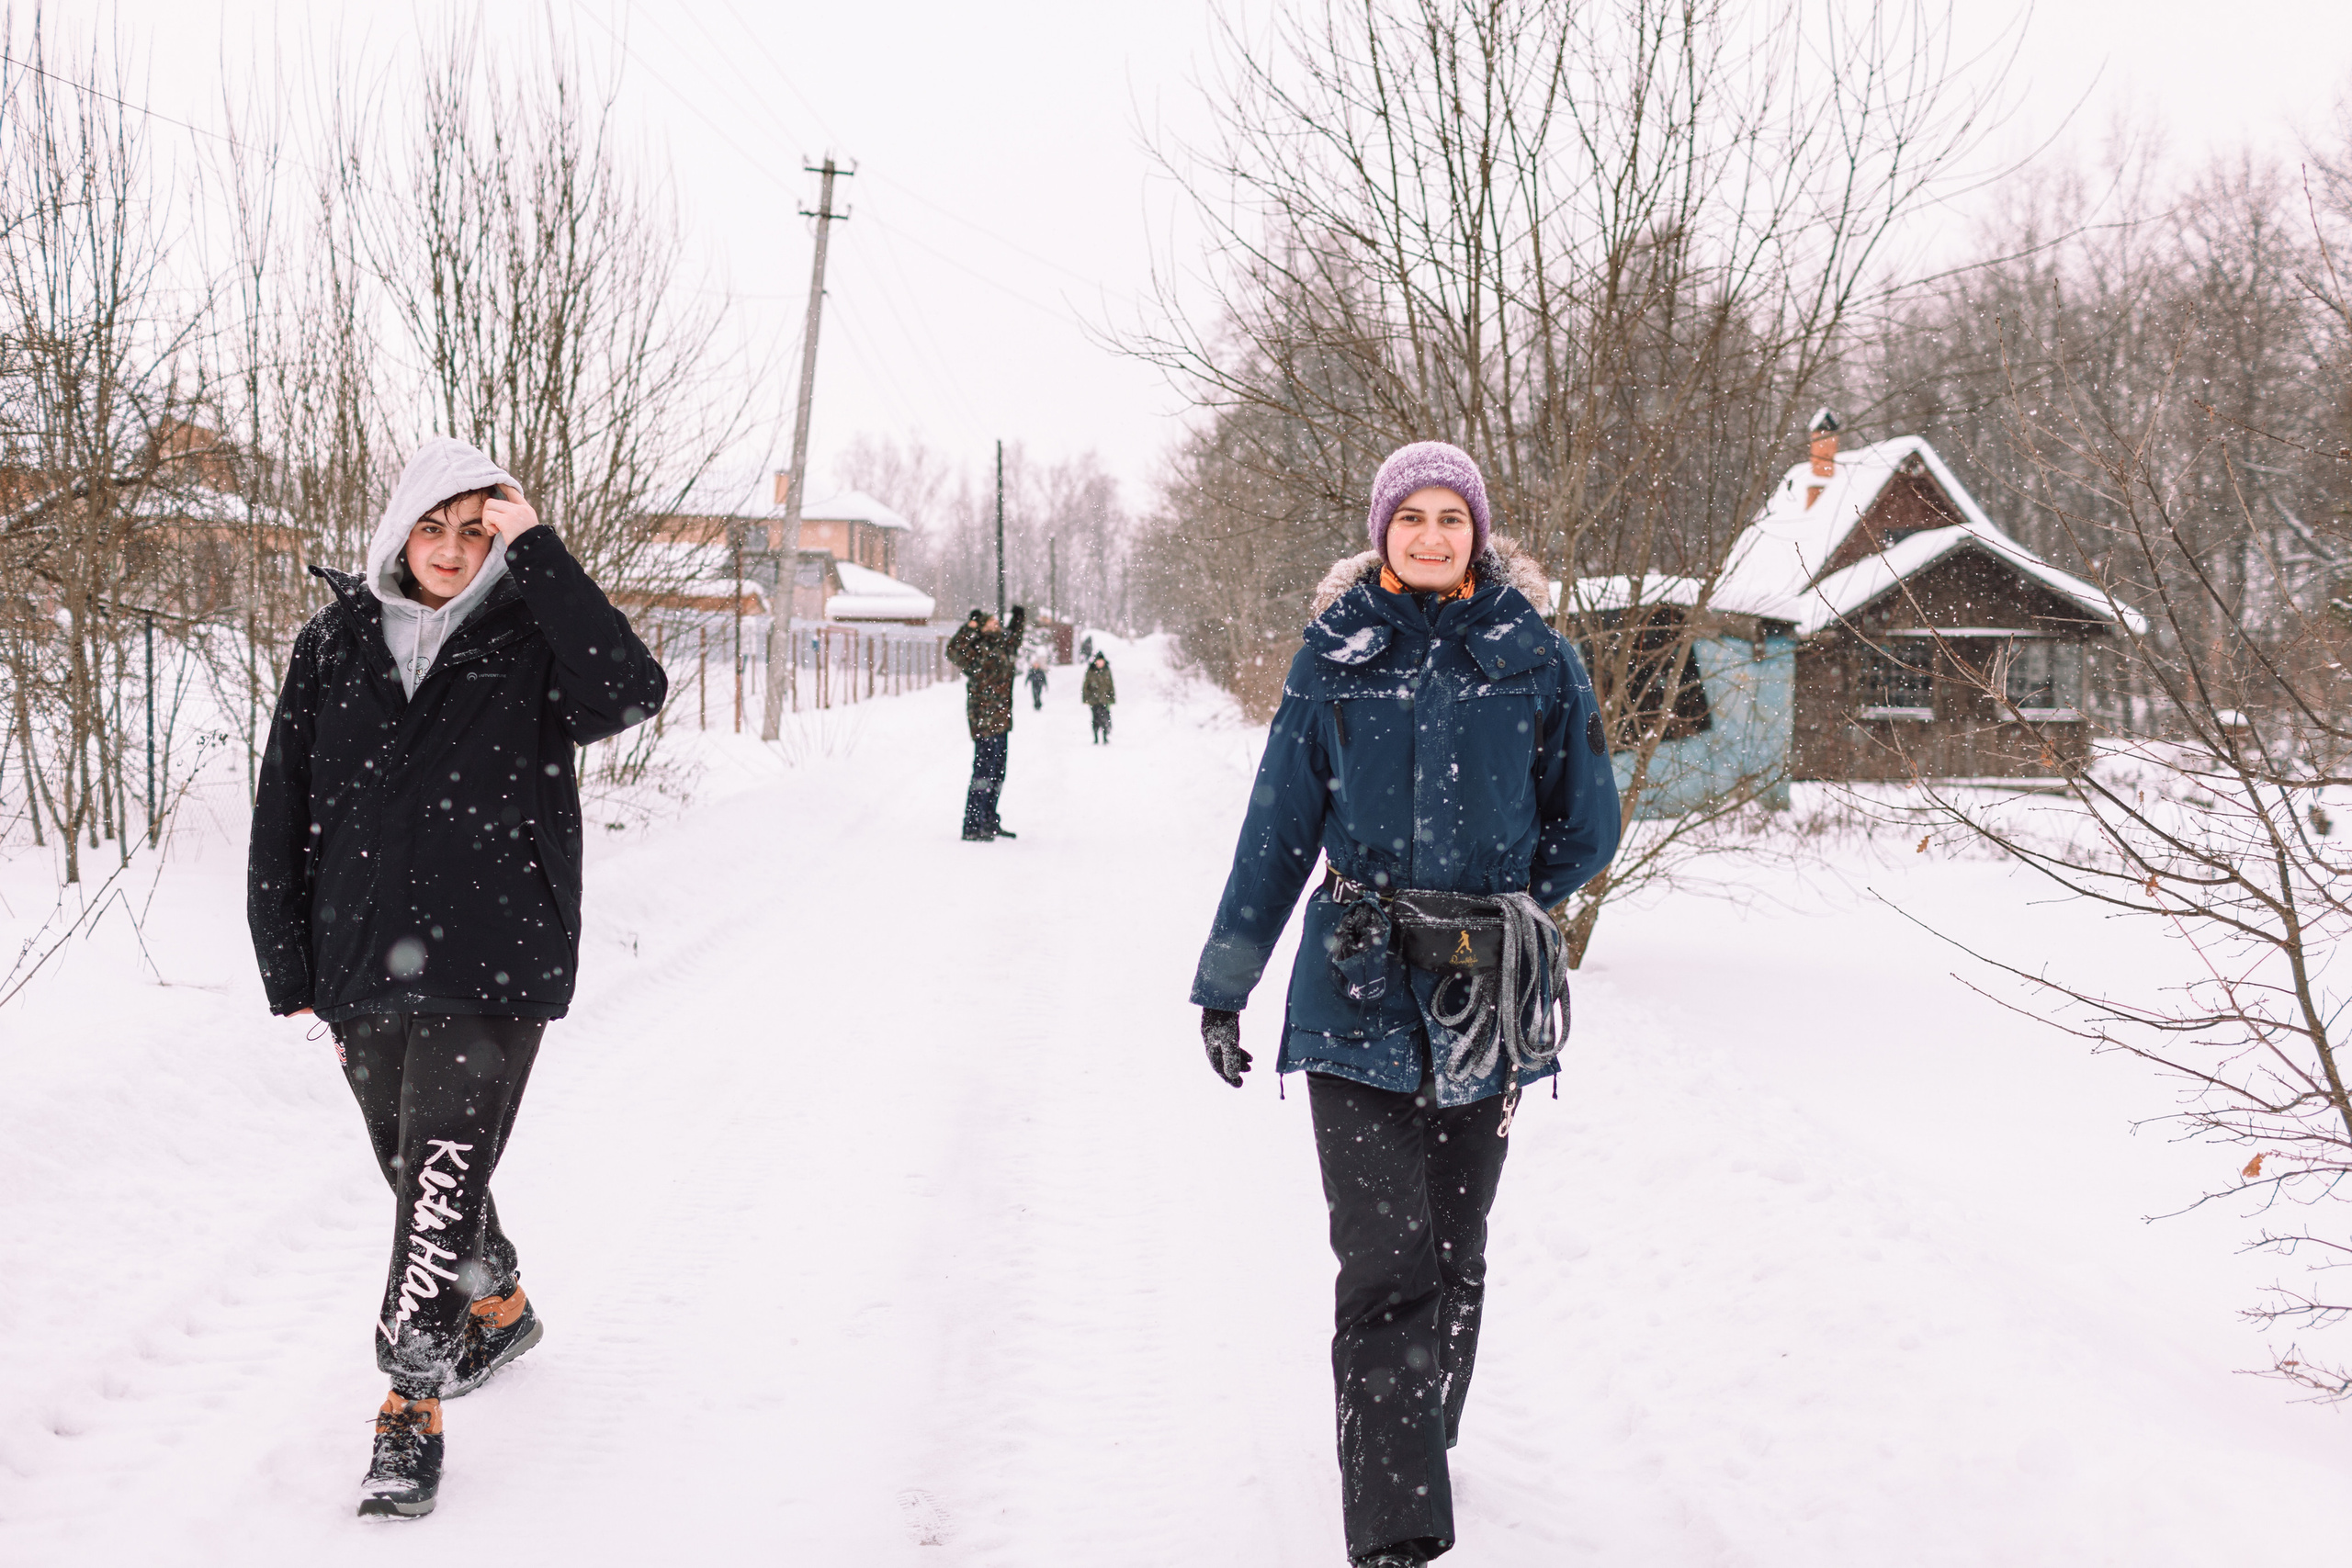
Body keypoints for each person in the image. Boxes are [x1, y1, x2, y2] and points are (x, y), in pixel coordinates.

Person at [1189, 441, 1620, 1567]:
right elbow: (1277, 837)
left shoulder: (1536, 659)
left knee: (1454, 1247)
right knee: (1384, 1259)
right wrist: (1225, 986)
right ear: (1380, 531)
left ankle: (1420, 1433)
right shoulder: (1332, 661)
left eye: (1452, 518)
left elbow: (1591, 822)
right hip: (1356, 986)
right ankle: (1395, 1522)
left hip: (1486, 991)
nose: (1431, 536)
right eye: (1411, 517)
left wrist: (1513, 907)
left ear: (1479, 533)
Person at [246, 437, 665, 1520]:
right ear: (399, 529)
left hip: (494, 952)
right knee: (411, 1155)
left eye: (477, 531)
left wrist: (540, 552)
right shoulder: (335, 641)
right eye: (434, 527)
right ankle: (501, 1300)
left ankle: (410, 1404)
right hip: (356, 954)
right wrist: (282, 949)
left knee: (436, 1176)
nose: (450, 549)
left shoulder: (534, 638)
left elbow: (630, 691)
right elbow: (285, 800)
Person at [944, 604, 1026, 840]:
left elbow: (1015, 639)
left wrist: (1018, 618)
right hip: (983, 720)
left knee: (998, 773)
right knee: (983, 773)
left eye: (997, 623)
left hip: (1002, 720)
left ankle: (989, 819)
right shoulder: (976, 649)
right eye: (990, 623)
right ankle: (972, 824)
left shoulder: (1003, 646)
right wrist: (969, 627)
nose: (996, 626)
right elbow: (953, 650)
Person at [1081, 651, 1116, 743]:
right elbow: (1086, 685)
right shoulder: (1091, 671)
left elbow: (1111, 686)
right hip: (1094, 700)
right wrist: (1086, 698)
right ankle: (1096, 737)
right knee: (1095, 719)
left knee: (1105, 718)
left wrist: (1112, 698)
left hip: (1105, 699)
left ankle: (1105, 737)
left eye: (1101, 661)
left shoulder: (1107, 671)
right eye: (1098, 661)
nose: (1100, 663)